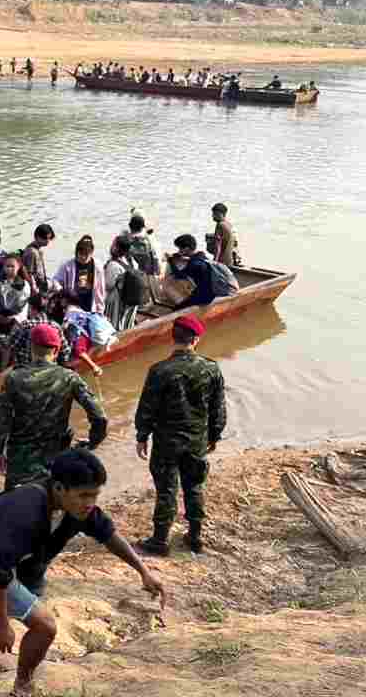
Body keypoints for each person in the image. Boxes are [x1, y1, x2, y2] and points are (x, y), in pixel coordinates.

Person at [0, 450, 167, 697]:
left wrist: (143, 571)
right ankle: (23, 685)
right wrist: (3, 624)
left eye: (94, 495)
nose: (90, 503)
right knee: (44, 627)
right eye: (83, 495)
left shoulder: (78, 509)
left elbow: (108, 534)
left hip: (24, 565)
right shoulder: (26, 510)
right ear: (59, 488)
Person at [135, 316, 226, 555]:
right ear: (196, 339)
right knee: (194, 486)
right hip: (196, 439)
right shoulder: (211, 369)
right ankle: (195, 536)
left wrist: (142, 435)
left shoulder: (159, 370)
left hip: (166, 441)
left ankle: (160, 540)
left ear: (172, 337)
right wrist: (215, 435)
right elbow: (218, 408)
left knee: (166, 489)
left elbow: (147, 407)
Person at [0, 325, 107, 490]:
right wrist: (93, 442)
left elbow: (2, 421)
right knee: (54, 506)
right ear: (57, 350)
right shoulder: (69, 378)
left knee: (16, 508)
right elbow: (99, 416)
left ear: (31, 347)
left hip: (20, 463)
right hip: (57, 462)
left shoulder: (13, 379)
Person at [8, 293, 72, 368]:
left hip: (26, 371)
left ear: (31, 308)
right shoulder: (56, 326)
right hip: (50, 371)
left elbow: (11, 345)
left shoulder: (26, 325)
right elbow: (65, 351)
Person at [53, 235, 104, 314]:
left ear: (91, 253)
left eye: (86, 255)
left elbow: (100, 290)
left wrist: (100, 310)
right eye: (81, 254)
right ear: (76, 253)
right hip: (72, 303)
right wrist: (60, 290)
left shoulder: (97, 266)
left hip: (89, 302)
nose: (83, 257)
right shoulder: (67, 265)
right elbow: (56, 279)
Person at [167, 235, 217, 311]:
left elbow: (179, 275)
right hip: (213, 291)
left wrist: (170, 261)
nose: (179, 251)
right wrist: (181, 256)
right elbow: (192, 258)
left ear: (186, 248)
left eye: (180, 248)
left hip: (204, 297)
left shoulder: (194, 264)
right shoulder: (202, 255)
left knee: (176, 309)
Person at [104, 235, 142, 332]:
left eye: (113, 244)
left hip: (118, 302)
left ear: (116, 247)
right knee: (127, 323)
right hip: (131, 300)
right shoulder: (132, 261)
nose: (111, 246)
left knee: (114, 326)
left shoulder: (113, 265)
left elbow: (109, 285)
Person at [21, 223, 55, 295]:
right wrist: (34, 287)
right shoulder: (32, 252)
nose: (48, 241)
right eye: (45, 238)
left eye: (49, 238)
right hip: (36, 287)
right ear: (37, 237)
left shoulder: (38, 250)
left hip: (41, 283)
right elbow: (29, 273)